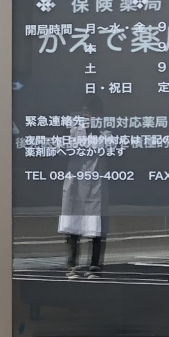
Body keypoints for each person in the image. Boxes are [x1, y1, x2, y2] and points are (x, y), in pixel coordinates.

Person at [60, 95, 106, 279]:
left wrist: (95, 130)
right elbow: (66, 148)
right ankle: (72, 265)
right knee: (73, 224)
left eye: (91, 112)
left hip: (95, 183)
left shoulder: (105, 130)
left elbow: (108, 147)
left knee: (95, 226)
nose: (87, 115)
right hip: (76, 182)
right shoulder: (73, 129)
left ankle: (94, 264)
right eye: (85, 111)